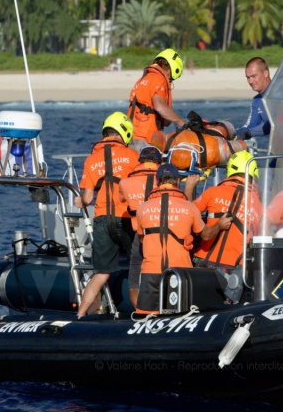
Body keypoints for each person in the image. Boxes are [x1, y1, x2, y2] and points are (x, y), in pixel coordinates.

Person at [76, 112, 139, 317]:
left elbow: (87, 199)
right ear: (125, 132)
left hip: (102, 220)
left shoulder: (91, 160)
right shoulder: (132, 155)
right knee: (139, 262)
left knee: (101, 273)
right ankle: (144, 312)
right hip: (126, 218)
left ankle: (80, 314)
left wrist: (79, 201)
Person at [135, 163, 205, 313]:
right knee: (181, 317)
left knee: (145, 318)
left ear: (157, 181)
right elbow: (202, 233)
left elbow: (141, 238)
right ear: (178, 181)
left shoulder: (142, 208)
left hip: (150, 271)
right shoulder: (190, 207)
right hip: (180, 271)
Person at [184, 150, 263, 270]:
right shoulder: (258, 205)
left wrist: (189, 188)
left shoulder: (213, 192)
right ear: (255, 174)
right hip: (236, 268)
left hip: (204, 261)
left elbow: (188, 215)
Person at [118, 145, 163, 307]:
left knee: (134, 283)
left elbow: (122, 200)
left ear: (140, 162)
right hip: (162, 235)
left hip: (140, 236)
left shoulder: (125, 182)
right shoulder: (164, 181)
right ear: (159, 162)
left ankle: (140, 312)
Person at [128, 48, 186, 151]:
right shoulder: (159, 79)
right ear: (171, 70)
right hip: (145, 138)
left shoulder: (144, 78)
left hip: (131, 134)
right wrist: (182, 122)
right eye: (171, 79)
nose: (170, 81)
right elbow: (159, 106)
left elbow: (165, 121)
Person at [234, 57, 271, 141]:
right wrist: (228, 133)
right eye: (248, 77)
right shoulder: (256, 101)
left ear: (265, 73)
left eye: (254, 76)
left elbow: (276, 123)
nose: (250, 81)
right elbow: (249, 126)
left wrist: (249, 133)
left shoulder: (279, 94)